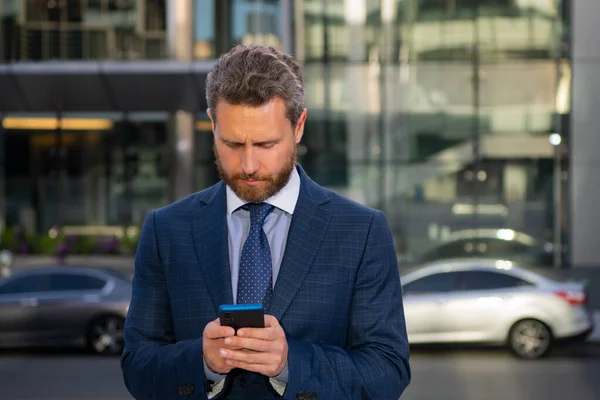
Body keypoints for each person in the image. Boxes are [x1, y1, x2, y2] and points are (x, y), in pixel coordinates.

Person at [121, 44, 411, 400]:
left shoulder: (362, 232)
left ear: (299, 126)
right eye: (231, 143)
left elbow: (387, 371)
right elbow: (137, 365)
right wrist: (201, 362)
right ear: (212, 124)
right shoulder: (166, 231)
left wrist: (290, 363)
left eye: (265, 144)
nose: (248, 165)